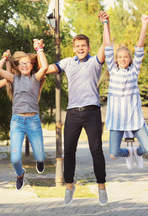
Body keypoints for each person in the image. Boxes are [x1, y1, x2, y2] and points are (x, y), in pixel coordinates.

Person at [45, 11, 109, 206]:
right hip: (72, 113)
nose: (80, 49)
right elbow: (46, 70)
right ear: (73, 48)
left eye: (83, 46)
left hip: (91, 112)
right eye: (77, 46)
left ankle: (101, 187)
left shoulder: (95, 62)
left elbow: (107, 45)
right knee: (69, 151)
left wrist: (106, 23)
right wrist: (39, 51)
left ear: (88, 47)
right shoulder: (67, 62)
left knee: (96, 150)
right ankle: (69, 186)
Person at [101, 14, 148, 170]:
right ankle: (129, 152)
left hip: (134, 118)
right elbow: (108, 45)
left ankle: (136, 151)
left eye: (126, 57)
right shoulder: (113, 69)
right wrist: (105, 23)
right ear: (116, 59)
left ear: (130, 59)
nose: (123, 59)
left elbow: (139, 47)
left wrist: (144, 25)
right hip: (117, 120)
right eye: (120, 57)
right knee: (114, 153)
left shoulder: (134, 71)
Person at [0, 39, 48, 190]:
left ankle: (40, 159)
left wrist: (39, 49)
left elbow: (44, 66)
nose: (25, 65)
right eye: (22, 63)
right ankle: (20, 174)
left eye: (27, 63)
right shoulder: (14, 78)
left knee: (39, 156)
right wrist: (5, 57)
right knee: (15, 158)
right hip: (17, 121)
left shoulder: (35, 78)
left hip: (33, 121)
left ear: (32, 66)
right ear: (17, 67)